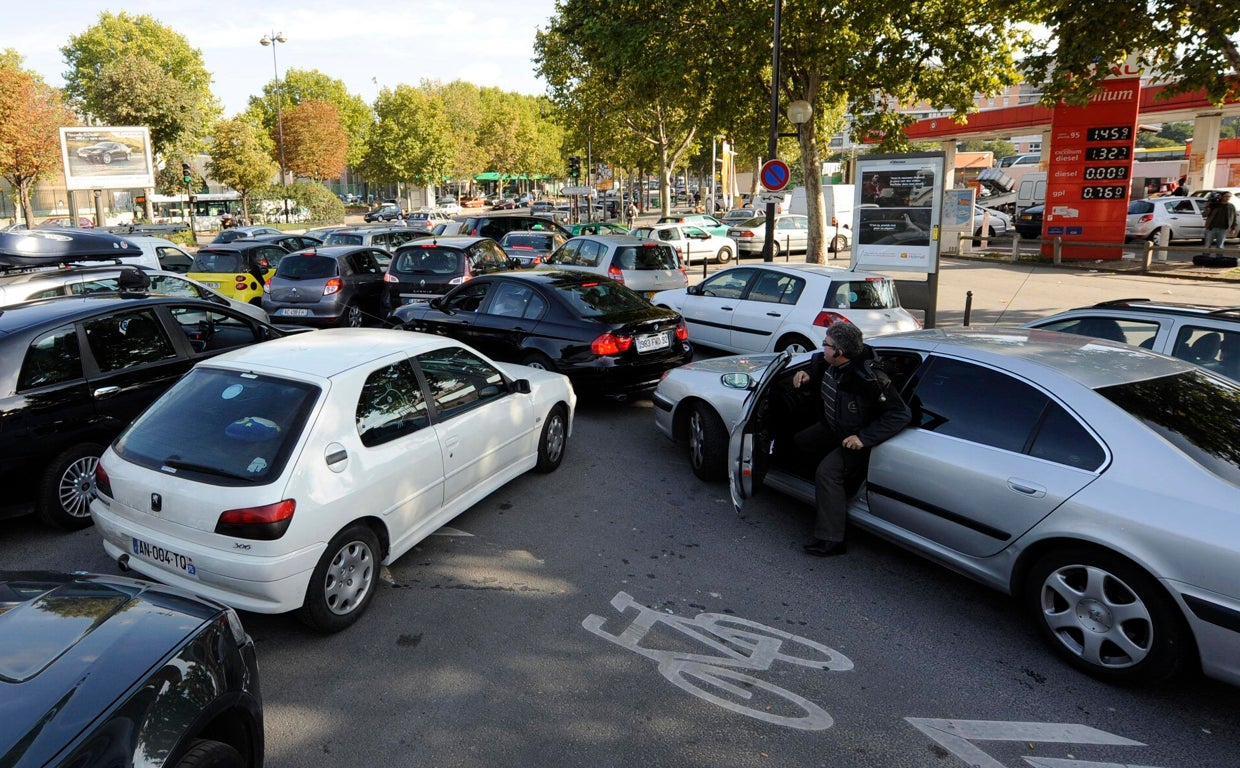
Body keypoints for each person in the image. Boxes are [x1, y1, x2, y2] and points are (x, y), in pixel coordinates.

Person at [791, 322, 911, 557]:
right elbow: (822, 374)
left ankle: (831, 539)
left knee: (827, 473)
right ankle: (827, 498)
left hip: (856, 440)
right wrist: (806, 375)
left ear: (839, 352)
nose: (822, 347)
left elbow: (900, 414)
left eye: (826, 344)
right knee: (800, 442)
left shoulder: (869, 379)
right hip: (834, 428)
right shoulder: (828, 364)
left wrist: (864, 438)